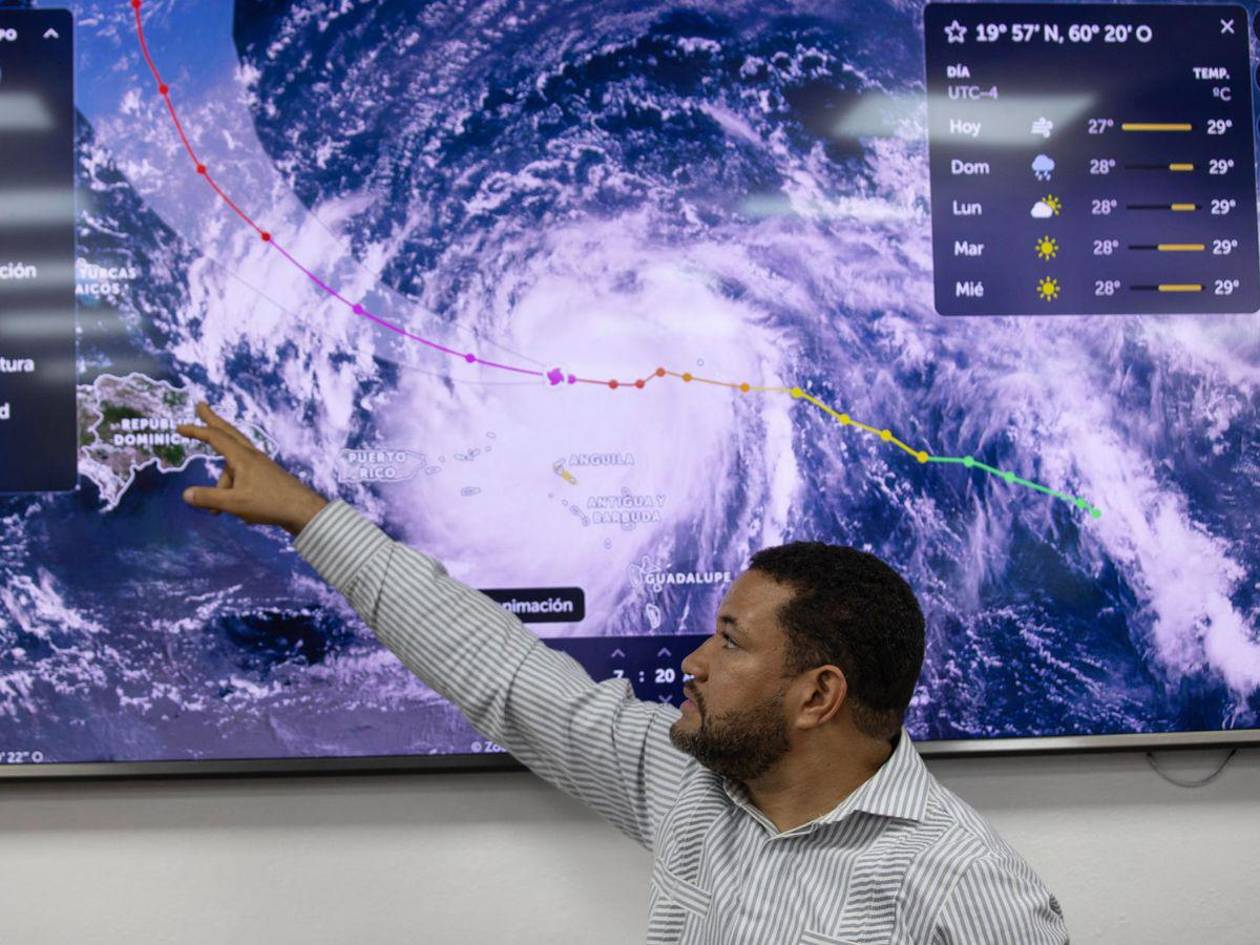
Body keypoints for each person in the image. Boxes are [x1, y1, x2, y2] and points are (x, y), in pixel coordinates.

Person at [177, 401, 1069, 944]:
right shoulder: (690, 783)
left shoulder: (968, 891)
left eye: (730, 640)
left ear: (818, 694)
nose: (694, 661)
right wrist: (307, 514)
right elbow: (499, 666)